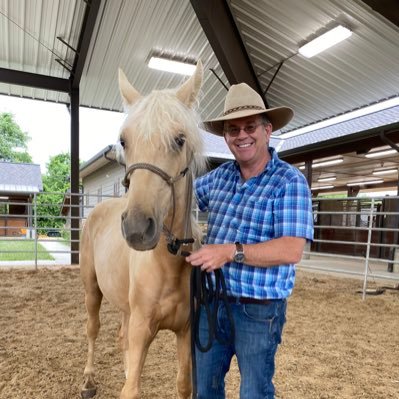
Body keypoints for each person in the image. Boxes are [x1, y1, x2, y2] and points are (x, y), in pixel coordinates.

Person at [186, 83, 314, 399]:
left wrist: (230, 251)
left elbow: (291, 249)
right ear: (226, 137)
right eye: (233, 129)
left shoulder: (289, 181)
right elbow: (181, 196)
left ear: (267, 130)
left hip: (259, 311)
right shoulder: (219, 177)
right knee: (204, 390)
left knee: (255, 391)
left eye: (250, 126)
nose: (242, 135)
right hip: (212, 303)